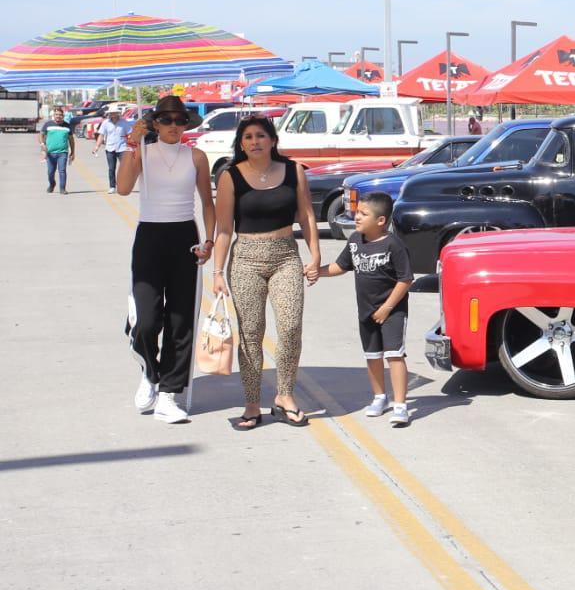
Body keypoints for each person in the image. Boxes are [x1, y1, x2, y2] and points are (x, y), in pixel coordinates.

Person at [211, 114, 320, 430]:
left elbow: (307, 216)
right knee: (251, 332)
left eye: (260, 135)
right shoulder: (231, 176)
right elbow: (222, 229)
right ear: (240, 144)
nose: (254, 142)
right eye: (247, 137)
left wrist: (314, 256)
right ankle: (251, 403)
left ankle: (285, 396)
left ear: (272, 140)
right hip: (245, 258)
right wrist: (217, 272)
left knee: (290, 326)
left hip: (285, 255)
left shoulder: (293, 170)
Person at [117, 96, 218, 423]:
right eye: (167, 120)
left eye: (180, 120)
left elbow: (207, 203)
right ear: (155, 123)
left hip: (184, 237)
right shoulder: (143, 153)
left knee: (180, 320)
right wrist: (132, 145)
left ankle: (168, 394)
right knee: (146, 320)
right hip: (149, 236)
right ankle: (149, 371)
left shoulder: (197, 156)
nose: (174, 126)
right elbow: (122, 188)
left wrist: (209, 240)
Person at [319, 191, 415, 427]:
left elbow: (406, 279)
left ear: (380, 220)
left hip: (392, 311)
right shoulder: (355, 241)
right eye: (357, 212)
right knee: (372, 357)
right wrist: (315, 271)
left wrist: (388, 307)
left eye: (363, 214)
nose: (357, 217)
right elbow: (340, 266)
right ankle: (379, 398)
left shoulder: (394, 244)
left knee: (394, 355)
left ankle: (401, 405)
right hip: (366, 311)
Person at [93, 106, 137, 193]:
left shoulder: (124, 123)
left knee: (124, 168)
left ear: (118, 114)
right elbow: (101, 135)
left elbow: (130, 135)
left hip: (122, 148)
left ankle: (123, 185)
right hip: (110, 148)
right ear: (109, 114)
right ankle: (112, 186)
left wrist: (132, 146)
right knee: (111, 168)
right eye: (111, 113)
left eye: (115, 113)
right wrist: (96, 147)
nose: (113, 115)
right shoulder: (106, 123)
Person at [40, 106, 74, 194]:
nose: (58, 116)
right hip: (50, 153)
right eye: (56, 114)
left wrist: (73, 152)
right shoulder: (48, 124)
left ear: (63, 116)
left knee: (62, 170)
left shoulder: (67, 126)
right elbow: (41, 135)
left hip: (63, 153)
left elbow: (71, 140)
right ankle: (52, 184)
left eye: (60, 115)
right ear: (54, 115)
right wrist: (42, 144)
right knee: (50, 172)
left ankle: (62, 188)